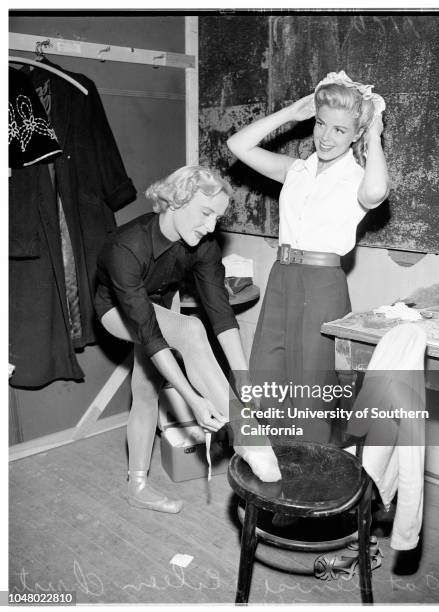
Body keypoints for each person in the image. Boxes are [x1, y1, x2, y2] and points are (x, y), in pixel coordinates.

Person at [95, 166, 281, 514]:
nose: (212, 226)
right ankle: (250, 437)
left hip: (160, 303)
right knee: (190, 329)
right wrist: (192, 398)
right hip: (116, 310)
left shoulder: (204, 244)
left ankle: (136, 484)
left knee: (147, 389)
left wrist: (242, 376)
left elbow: (221, 312)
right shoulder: (126, 246)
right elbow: (149, 333)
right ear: (175, 201)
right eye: (205, 213)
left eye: (218, 217)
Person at [227, 70, 390, 442]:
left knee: (310, 392)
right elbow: (238, 145)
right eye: (321, 123)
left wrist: (375, 134)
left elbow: (378, 190)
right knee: (266, 381)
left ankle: (310, 485)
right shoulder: (297, 170)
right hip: (281, 278)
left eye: (340, 130)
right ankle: (271, 472)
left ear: (356, 135)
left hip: (322, 285)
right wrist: (290, 113)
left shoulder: (359, 177)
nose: (326, 137)